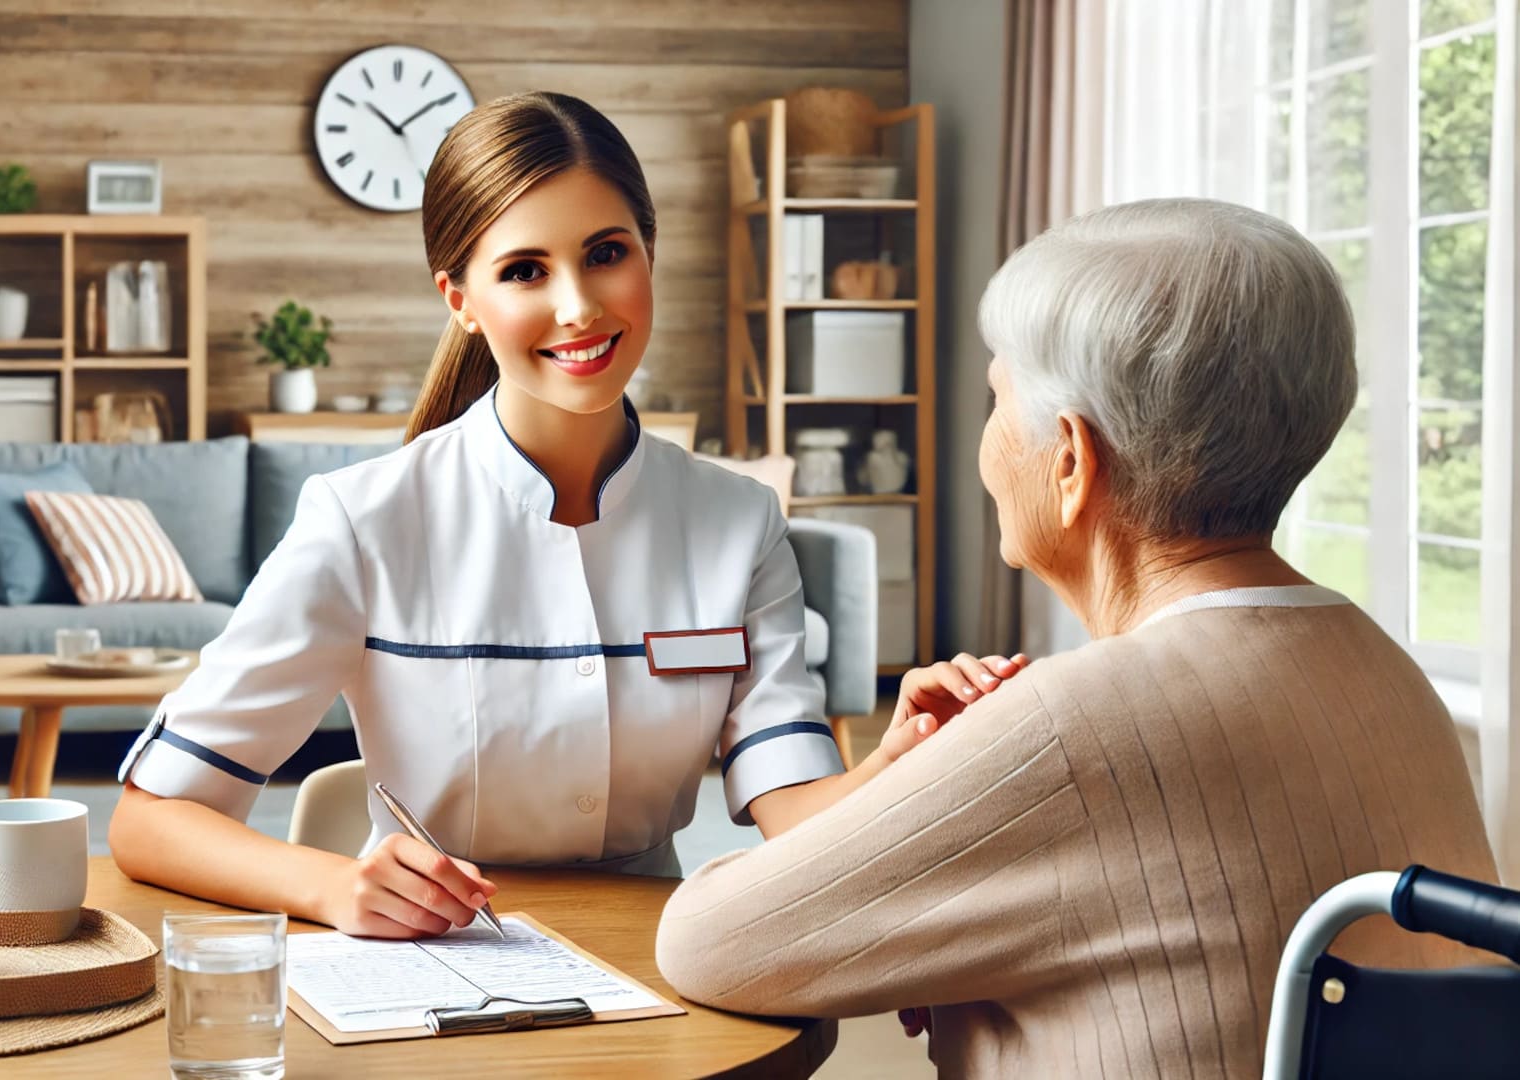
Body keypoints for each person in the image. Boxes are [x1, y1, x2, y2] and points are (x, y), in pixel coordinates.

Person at [654, 198, 1498, 1077]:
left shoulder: (1069, 726)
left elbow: (707, 941)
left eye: (996, 401)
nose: (987, 443)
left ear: (1069, 461)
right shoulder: (1390, 676)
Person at [110, 91, 909, 940]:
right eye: (525, 270)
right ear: (460, 298)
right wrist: (332, 886)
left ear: (649, 253)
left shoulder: (739, 522)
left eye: (606, 252)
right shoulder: (361, 518)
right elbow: (151, 818)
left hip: (660, 958)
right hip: (426, 969)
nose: (578, 306)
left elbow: (797, 810)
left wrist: (903, 757)